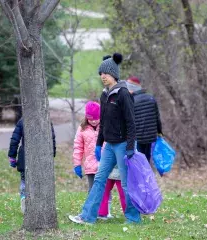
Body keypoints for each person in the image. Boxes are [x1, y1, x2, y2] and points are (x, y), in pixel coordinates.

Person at [68, 53, 141, 224]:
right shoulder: (104, 95)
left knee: (125, 183)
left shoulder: (123, 94)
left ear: (114, 74)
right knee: (99, 179)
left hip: (123, 145)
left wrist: (131, 145)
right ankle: (87, 217)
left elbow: (131, 122)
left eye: (105, 74)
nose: (103, 77)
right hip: (109, 145)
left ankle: (133, 218)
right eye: (101, 74)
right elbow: (103, 122)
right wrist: (99, 144)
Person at [72, 101, 127, 218]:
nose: (93, 121)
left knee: (106, 189)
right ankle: (92, 211)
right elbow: (78, 147)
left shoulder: (106, 126)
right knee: (93, 189)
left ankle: (105, 212)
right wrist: (77, 164)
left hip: (106, 164)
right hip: (91, 166)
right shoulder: (82, 129)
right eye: (90, 118)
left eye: (96, 118)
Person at [8, 118, 56, 213]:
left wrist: (12, 156)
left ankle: (24, 197)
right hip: (41, 157)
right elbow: (52, 139)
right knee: (40, 181)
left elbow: (15, 140)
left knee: (24, 180)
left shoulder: (22, 121)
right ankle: (38, 204)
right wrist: (52, 154)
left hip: (24, 156)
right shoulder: (45, 120)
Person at [126, 76, 163, 163]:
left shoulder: (131, 101)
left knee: (139, 163)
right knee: (146, 161)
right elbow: (157, 118)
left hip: (137, 138)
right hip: (150, 138)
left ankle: (141, 177)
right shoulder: (151, 99)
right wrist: (160, 132)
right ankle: (147, 176)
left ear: (131, 89)